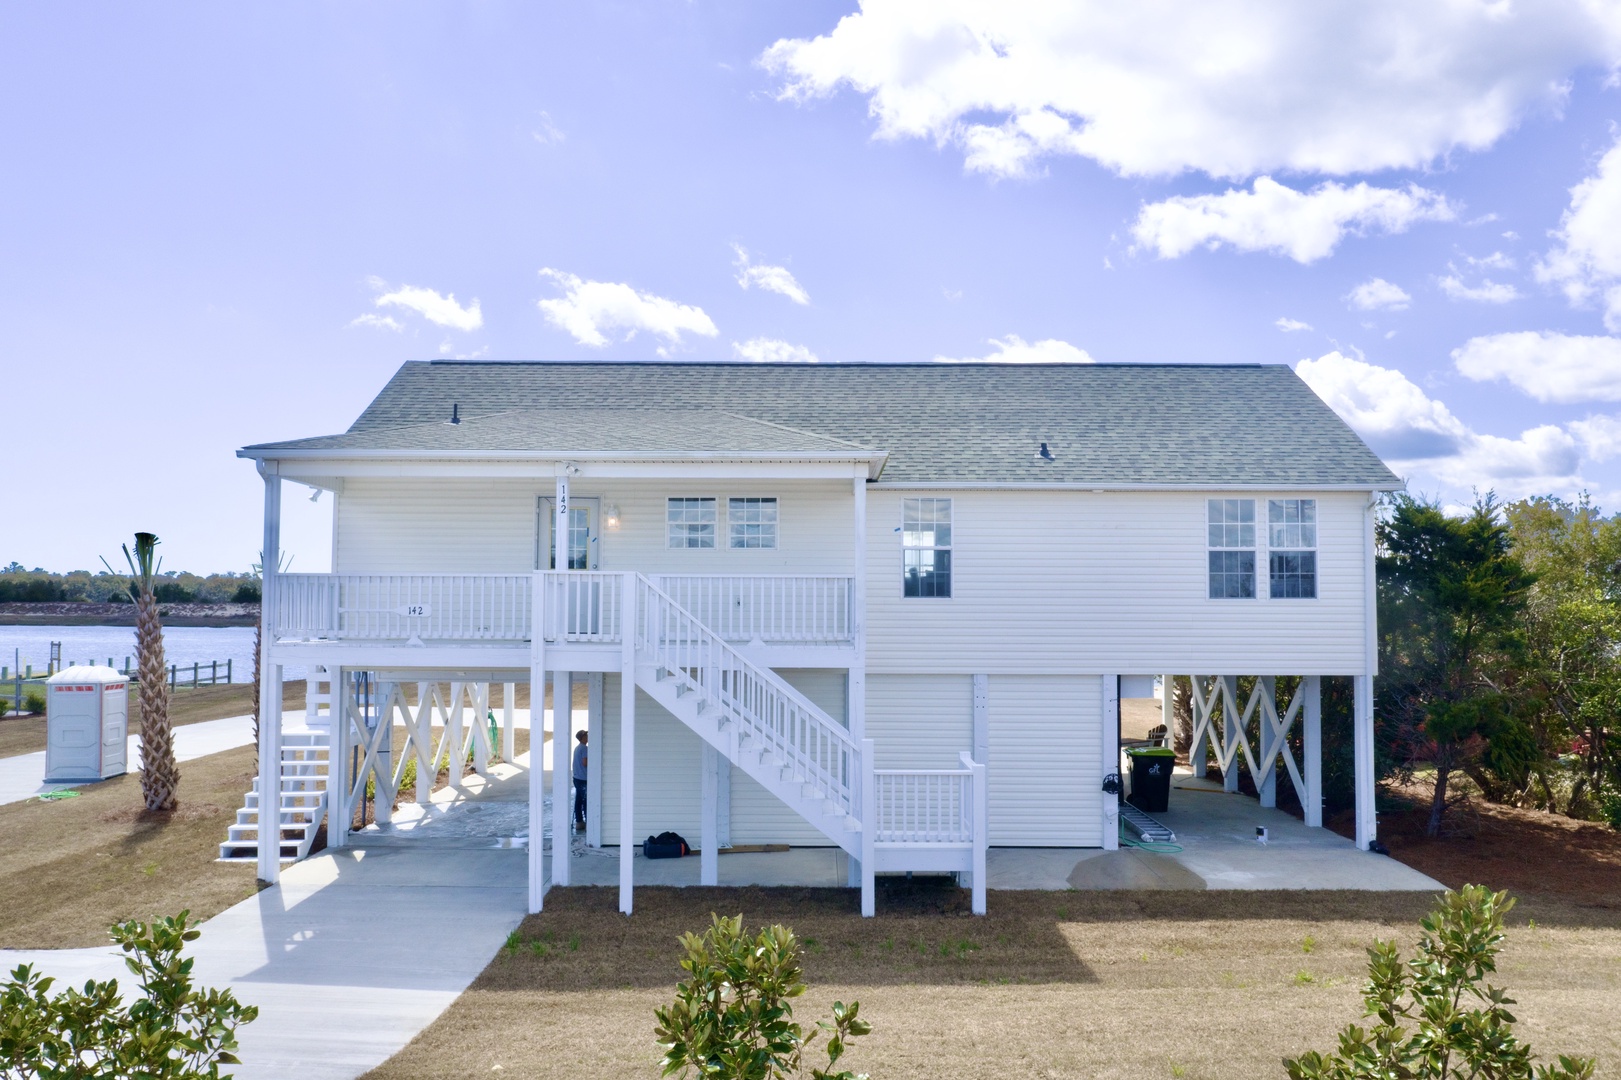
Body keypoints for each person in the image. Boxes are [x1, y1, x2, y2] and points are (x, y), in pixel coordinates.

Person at [571, 729, 588, 831]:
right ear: (582, 738)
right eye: (586, 736)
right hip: (583, 778)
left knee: (579, 800)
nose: (587, 737)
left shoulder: (577, 748)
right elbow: (585, 763)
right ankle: (588, 822)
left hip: (577, 778)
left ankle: (579, 822)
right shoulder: (584, 748)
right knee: (585, 800)